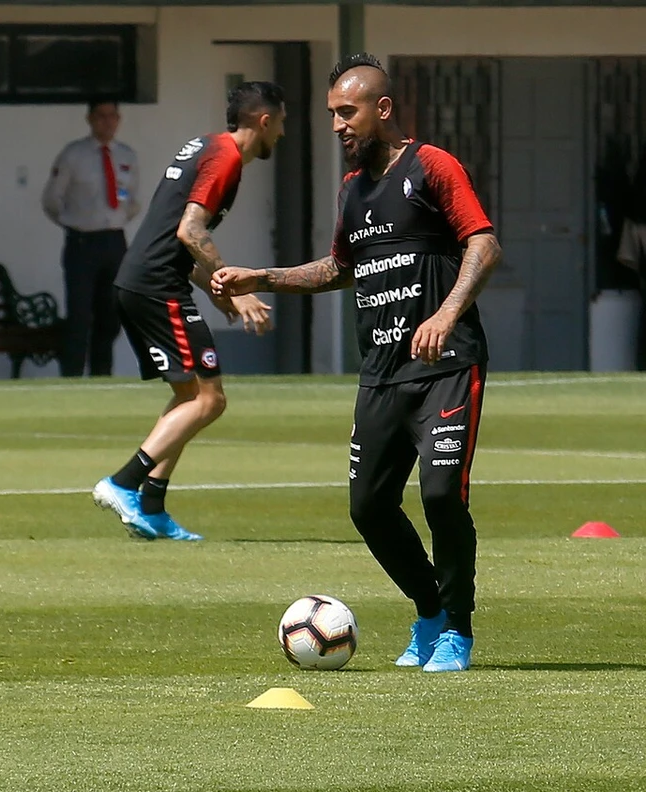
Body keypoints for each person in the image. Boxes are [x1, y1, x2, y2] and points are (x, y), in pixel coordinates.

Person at [211, 54, 503, 672]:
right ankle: (428, 608)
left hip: (447, 365)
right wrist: (260, 275)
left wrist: (446, 313)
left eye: (348, 112)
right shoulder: (352, 190)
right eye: (332, 116)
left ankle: (457, 626)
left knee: (442, 493)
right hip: (381, 372)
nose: (338, 125)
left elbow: (484, 242)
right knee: (367, 506)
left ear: (383, 109)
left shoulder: (432, 166)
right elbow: (339, 268)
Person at [91, 81, 282, 542]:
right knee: (211, 399)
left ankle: (152, 506)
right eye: (281, 123)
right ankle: (122, 483)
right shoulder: (225, 157)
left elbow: (175, 239)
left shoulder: (205, 145)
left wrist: (220, 288)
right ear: (264, 120)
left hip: (142, 280)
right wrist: (238, 285)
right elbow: (190, 231)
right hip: (158, 287)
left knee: (187, 396)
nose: (282, 133)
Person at [42, 97, 141, 377]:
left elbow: (132, 200)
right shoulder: (74, 155)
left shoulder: (126, 155)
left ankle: (102, 375)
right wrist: (73, 224)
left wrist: (116, 221)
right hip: (82, 242)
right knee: (80, 314)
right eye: (101, 116)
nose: (107, 122)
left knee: (110, 315)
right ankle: (72, 375)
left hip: (114, 241)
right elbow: (52, 199)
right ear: (90, 119)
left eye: (112, 116)